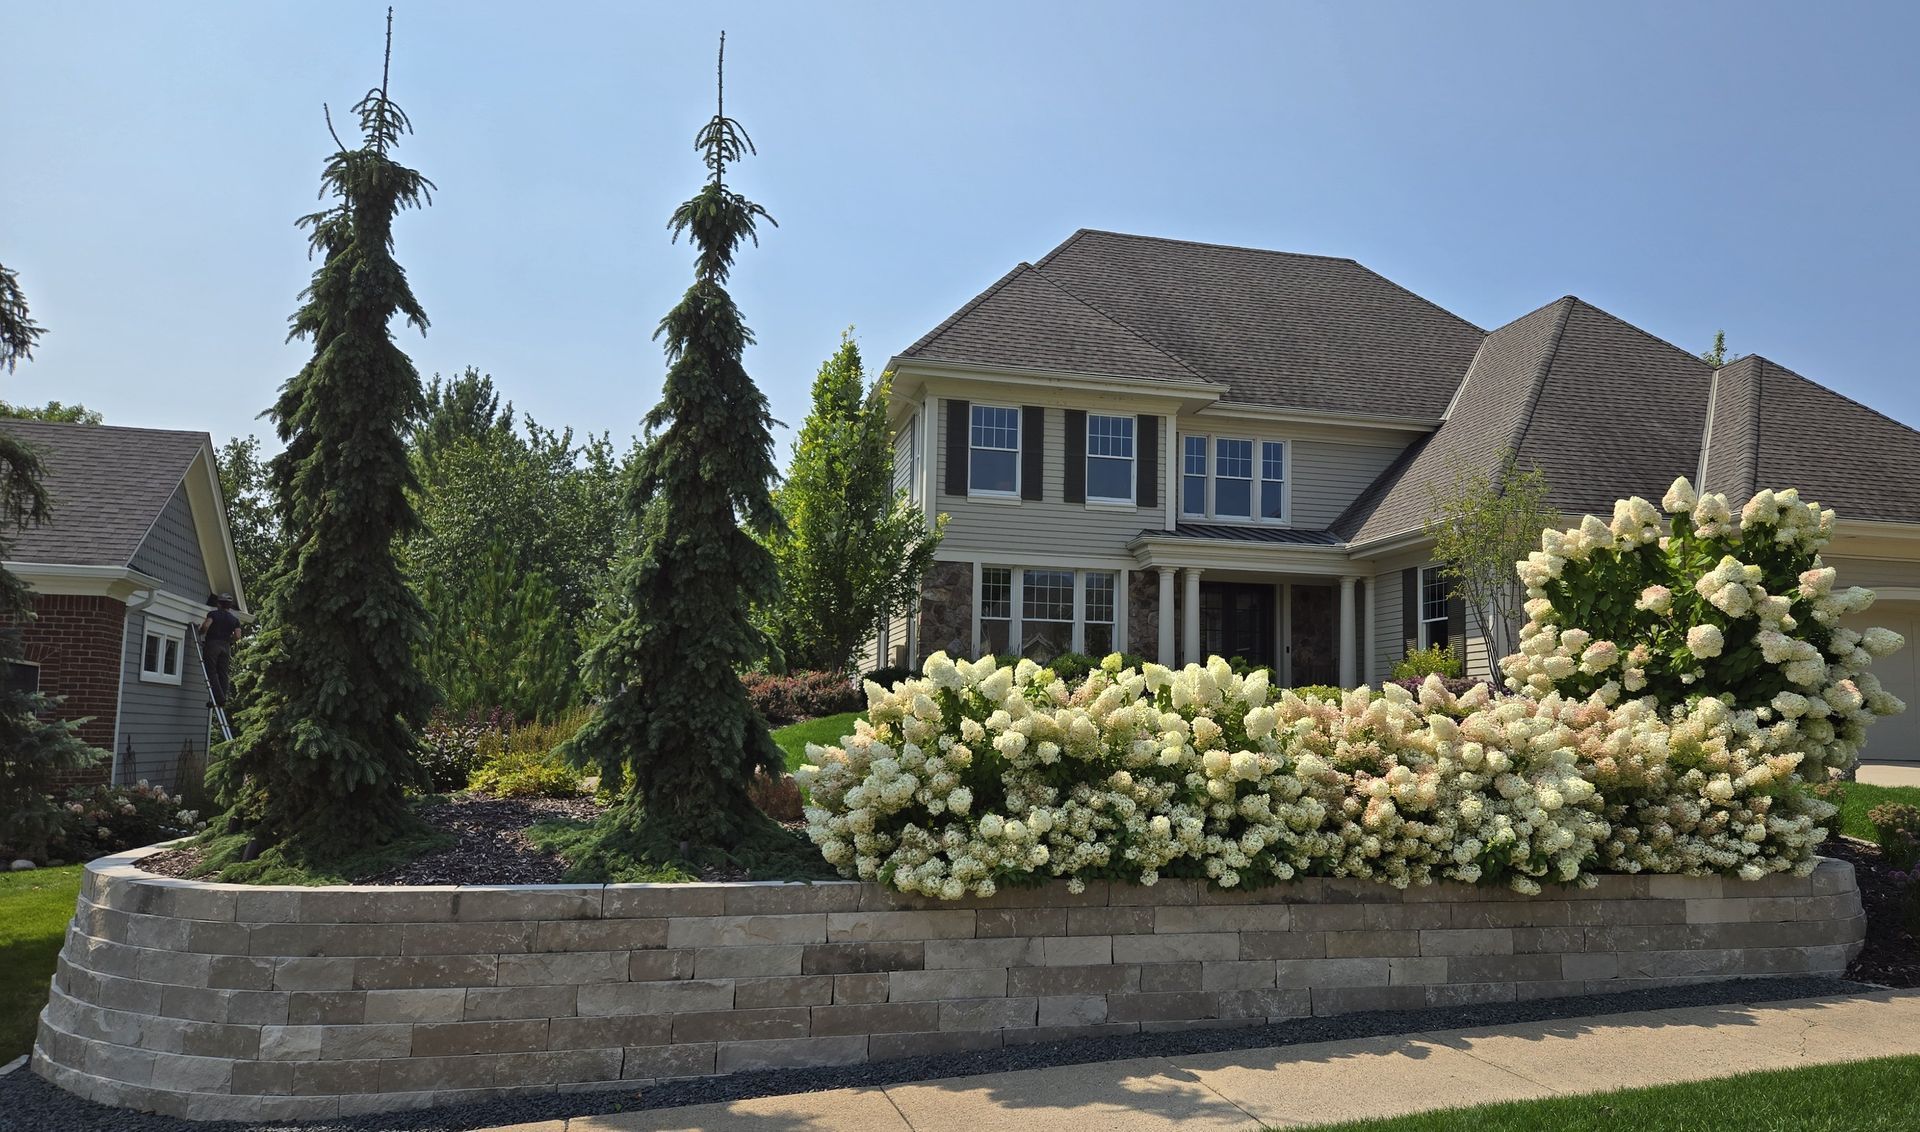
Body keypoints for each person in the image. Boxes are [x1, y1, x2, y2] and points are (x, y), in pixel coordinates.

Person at [199, 593, 241, 707]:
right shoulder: (234, 620)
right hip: (226, 647)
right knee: (223, 673)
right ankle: (222, 698)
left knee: (211, 671)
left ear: (219, 604)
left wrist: (201, 632)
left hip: (213, 644)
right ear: (229, 606)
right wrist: (228, 640)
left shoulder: (213, 614)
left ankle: (219, 698)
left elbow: (206, 626)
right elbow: (237, 636)